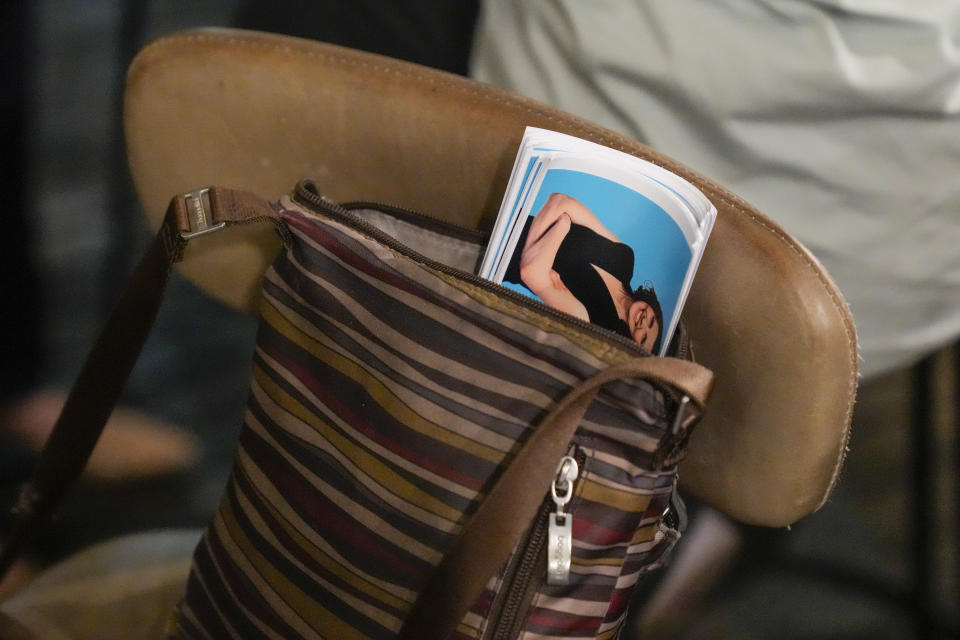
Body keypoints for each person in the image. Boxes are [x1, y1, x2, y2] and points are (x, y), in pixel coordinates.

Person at [504, 193, 663, 353]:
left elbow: (530, 272)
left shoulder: (593, 326)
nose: (644, 323)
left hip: (497, 252)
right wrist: (532, 251)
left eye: (643, 338)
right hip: (509, 213)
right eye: (652, 321)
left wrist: (563, 222)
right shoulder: (625, 259)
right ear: (654, 307)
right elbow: (560, 201)